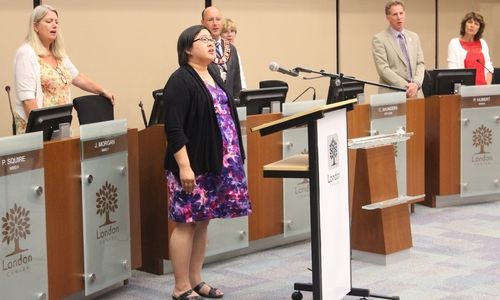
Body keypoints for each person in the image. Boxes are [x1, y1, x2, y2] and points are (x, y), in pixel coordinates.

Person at [162, 25, 252, 300]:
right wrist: (185, 167)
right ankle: (180, 287)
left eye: (211, 39)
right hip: (193, 162)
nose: (211, 43)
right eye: (203, 40)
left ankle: (196, 280)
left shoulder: (213, 73)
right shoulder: (180, 79)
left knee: (203, 220)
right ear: (187, 48)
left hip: (219, 160)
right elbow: (174, 128)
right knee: (186, 223)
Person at [13, 4, 115, 135]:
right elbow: (27, 100)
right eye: (49, 21)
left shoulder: (57, 54)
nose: (54, 25)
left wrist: (103, 91)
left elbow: (77, 77)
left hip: (61, 127)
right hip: (39, 130)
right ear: (35, 26)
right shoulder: (26, 54)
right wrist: (40, 133)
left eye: (56, 22)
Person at [372, 0, 425, 98]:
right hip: (392, 94)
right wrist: (406, 87)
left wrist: (416, 83)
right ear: (388, 17)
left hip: (415, 94)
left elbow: (420, 63)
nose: (399, 17)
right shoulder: (379, 39)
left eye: (401, 13)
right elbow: (383, 69)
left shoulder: (414, 37)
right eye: (395, 14)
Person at [201, 6, 242, 98]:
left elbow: (236, 83)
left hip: (229, 104)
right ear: (202, 23)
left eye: (218, 19)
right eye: (210, 20)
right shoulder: (199, 48)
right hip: (208, 103)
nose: (215, 23)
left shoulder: (231, 48)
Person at [447, 12, 493, 85]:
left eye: (476, 24)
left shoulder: (483, 42)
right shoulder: (454, 43)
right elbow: (453, 70)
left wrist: (488, 88)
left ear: (479, 29)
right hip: (465, 90)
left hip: (484, 90)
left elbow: (489, 68)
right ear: (464, 25)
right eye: (470, 22)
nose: (472, 26)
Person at [221, 18, 247, 90]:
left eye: (232, 31)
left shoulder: (234, 52)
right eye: (226, 32)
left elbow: (239, 74)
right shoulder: (216, 51)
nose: (230, 35)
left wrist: (243, 88)